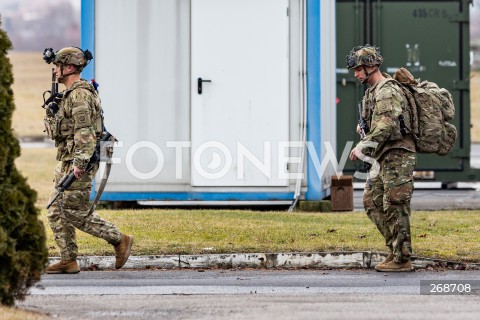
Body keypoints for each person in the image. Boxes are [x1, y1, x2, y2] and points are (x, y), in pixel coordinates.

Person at [43, 47, 133, 274]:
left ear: (70, 67)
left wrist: (79, 165)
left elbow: (85, 133)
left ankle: (119, 239)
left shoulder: (80, 95)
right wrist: (52, 112)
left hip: (79, 162)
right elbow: (61, 132)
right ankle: (68, 260)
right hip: (67, 158)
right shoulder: (68, 94)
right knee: (55, 210)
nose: (55, 70)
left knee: (73, 210)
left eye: (58, 65)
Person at [346, 45, 416, 272]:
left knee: (395, 203)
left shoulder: (386, 90)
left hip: (397, 154)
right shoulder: (372, 92)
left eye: (358, 69)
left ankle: (403, 258)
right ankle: (395, 249)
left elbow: (387, 124)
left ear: (371, 66)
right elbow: (379, 121)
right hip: (383, 154)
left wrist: (363, 146)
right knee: (372, 202)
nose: (356, 74)